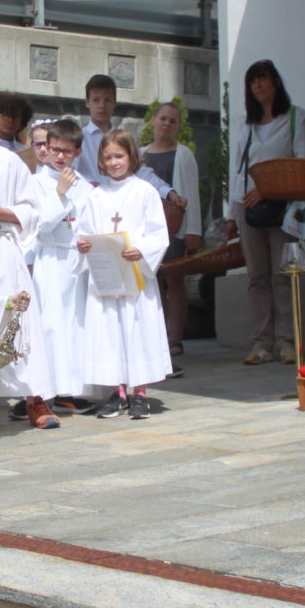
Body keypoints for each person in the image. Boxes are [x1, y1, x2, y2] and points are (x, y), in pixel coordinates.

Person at [0, 91, 53, 434]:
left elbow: (34, 209)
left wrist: (5, 212)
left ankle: (36, 399)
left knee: (21, 320)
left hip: (3, 248)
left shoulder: (10, 161)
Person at [75, 129, 170, 418]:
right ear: (101, 161)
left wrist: (141, 249)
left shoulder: (145, 191)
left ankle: (139, 392)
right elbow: (85, 231)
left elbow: (159, 234)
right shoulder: (96, 195)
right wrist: (84, 244)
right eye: (108, 157)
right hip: (106, 276)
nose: (114, 162)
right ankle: (117, 393)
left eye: (119, 156)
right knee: (110, 333)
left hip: (134, 274)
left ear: (131, 156)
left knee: (136, 330)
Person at [227, 59, 305, 365]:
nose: (258, 86)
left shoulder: (295, 118)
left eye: (263, 79)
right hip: (246, 208)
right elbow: (236, 168)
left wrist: (269, 188)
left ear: (276, 82)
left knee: (283, 274)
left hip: (283, 207)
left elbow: (302, 166)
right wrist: (230, 214)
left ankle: (288, 341)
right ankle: (261, 342)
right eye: (252, 82)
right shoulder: (245, 123)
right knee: (257, 276)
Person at [31, 119, 92, 412]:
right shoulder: (37, 181)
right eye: (54, 150)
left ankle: (70, 388)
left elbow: (89, 222)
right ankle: (45, 391)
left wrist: (86, 241)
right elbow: (40, 226)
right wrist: (60, 193)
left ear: (77, 152)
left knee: (75, 326)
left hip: (75, 263)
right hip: (50, 259)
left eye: (66, 152)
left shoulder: (85, 186)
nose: (59, 157)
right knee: (51, 325)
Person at [142, 101, 200, 364]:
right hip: (146, 230)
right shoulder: (139, 154)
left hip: (174, 229)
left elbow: (192, 194)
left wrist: (193, 231)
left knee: (174, 281)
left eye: (172, 120)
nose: (166, 123)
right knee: (154, 283)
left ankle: (175, 337)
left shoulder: (183, 154)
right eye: (162, 118)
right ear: (153, 121)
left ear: (178, 126)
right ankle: (158, 335)